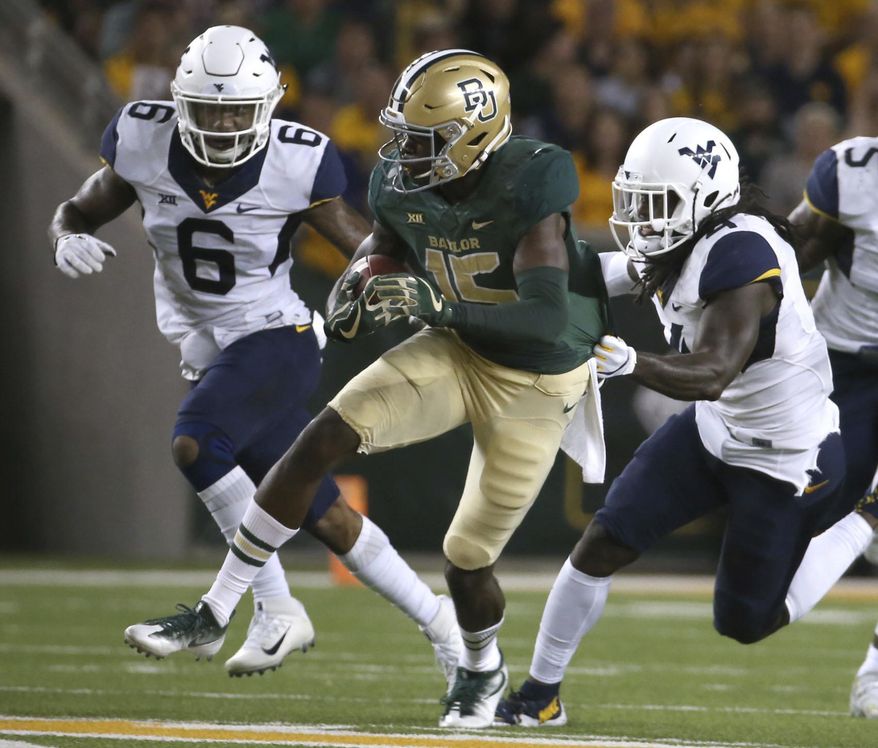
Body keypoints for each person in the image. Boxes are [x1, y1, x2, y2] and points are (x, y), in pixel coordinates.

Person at [122, 48, 611, 728]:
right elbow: (382, 242)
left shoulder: (535, 179)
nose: (403, 152)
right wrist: (359, 280)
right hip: (455, 350)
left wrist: (433, 305)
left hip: (536, 375)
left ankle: (479, 664)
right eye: (402, 134)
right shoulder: (399, 183)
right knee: (317, 440)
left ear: (473, 136)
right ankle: (218, 607)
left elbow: (544, 315)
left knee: (466, 565)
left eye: (423, 140)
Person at [48, 25, 462, 684]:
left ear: (268, 105)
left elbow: (360, 243)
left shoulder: (296, 161)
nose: (221, 123)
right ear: (180, 102)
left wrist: (393, 273)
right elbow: (78, 209)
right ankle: (445, 628)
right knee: (324, 513)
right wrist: (65, 235)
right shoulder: (141, 139)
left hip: (275, 335)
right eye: (209, 108)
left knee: (195, 441)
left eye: (237, 110)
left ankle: (240, 609)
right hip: (210, 351)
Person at [494, 117, 878, 727]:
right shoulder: (686, 238)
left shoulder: (743, 254)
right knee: (603, 540)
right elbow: (617, 269)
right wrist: (514, 278)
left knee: (746, 622)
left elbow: (713, 372)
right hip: (713, 431)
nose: (642, 217)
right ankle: (540, 695)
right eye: (635, 201)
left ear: (702, 197)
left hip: (784, 456)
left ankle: (864, 519)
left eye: (656, 203)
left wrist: (628, 360)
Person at [788, 136, 878, 718]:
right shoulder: (856, 175)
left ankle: (874, 669)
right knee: (810, 511)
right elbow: (780, 256)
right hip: (840, 363)